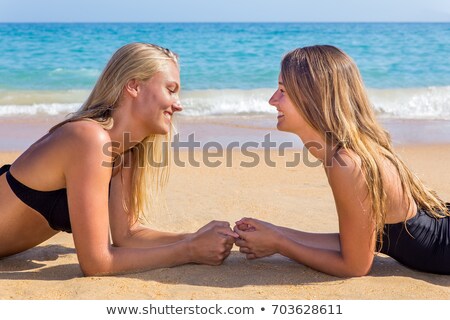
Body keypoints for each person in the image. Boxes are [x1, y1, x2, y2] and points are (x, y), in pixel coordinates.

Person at [0, 42, 238, 276]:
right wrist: (190, 250)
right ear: (134, 86)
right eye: (171, 89)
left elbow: (128, 236)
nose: (179, 105)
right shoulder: (88, 138)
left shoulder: (126, 150)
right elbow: (96, 263)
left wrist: (196, 237)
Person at [234, 45, 450, 276]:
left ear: (314, 97)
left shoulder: (347, 164)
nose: (272, 100)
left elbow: (355, 265)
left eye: (283, 91)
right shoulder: (346, 151)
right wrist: (276, 232)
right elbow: (358, 242)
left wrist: (280, 244)